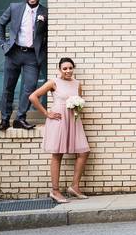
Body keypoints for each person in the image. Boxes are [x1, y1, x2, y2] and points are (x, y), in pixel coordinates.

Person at [29, 58, 90, 204]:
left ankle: (74, 186)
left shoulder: (77, 84)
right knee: (57, 154)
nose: (68, 71)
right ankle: (55, 191)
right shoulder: (53, 82)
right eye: (65, 68)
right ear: (60, 69)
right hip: (58, 120)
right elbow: (33, 97)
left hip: (73, 120)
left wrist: (78, 106)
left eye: (70, 68)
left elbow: (79, 101)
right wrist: (46, 113)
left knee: (83, 152)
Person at [0, 0, 48, 131]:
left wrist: (42, 51)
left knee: (30, 87)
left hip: (32, 56)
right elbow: (0, 24)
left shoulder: (45, 12)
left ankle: (20, 118)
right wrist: (3, 45)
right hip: (14, 53)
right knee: (8, 88)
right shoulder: (14, 8)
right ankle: (5, 119)